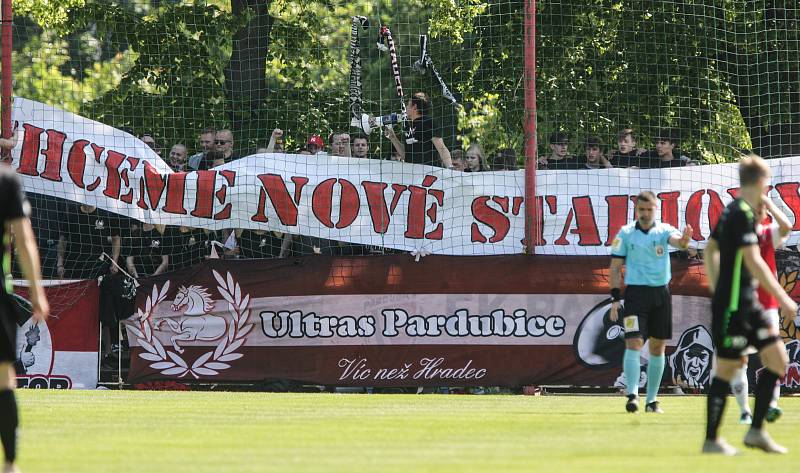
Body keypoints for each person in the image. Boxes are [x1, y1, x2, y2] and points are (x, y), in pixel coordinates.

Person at [702, 155, 795, 455]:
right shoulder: (739, 212)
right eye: (766, 181)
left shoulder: (734, 211)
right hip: (735, 306)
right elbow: (754, 261)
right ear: (759, 182)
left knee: (778, 360)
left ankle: (755, 432)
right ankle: (712, 440)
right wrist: (784, 299)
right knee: (729, 368)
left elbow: (710, 249)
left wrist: (717, 284)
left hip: (747, 303)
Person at [609, 191, 692, 413]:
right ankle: (633, 394)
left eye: (649, 209)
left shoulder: (664, 230)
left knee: (657, 348)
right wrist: (615, 299)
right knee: (634, 343)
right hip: (635, 296)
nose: (645, 213)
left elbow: (679, 243)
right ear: (636, 210)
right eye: (642, 209)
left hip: (661, 296)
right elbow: (615, 267)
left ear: (656, 209)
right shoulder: (626, 233)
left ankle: (652, 400)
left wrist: (684, 241)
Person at [0, 166, 50, 473]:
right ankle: (9, 464)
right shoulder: (6, 180)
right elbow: (25, 240)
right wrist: (36, 291)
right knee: (4, 378)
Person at [730, 198, 791, 425]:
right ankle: (745, 410)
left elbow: (786, 226)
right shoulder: (736, 235)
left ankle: (771, 404)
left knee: (772, 356)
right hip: (741, 304)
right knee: (740, 360)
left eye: (760, 209)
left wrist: (769, 203)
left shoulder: (767, 232)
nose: (756, 212)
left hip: (767, 305)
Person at [384, 92, 452, 168]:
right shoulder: (408, 126)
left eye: (408, 104)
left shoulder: (428, 122)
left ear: (415, 107)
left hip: (429, 172)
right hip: (412, 174)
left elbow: (441, 148)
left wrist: (450, 169)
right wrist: (392, 137)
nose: (406, 107)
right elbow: (405, 155)